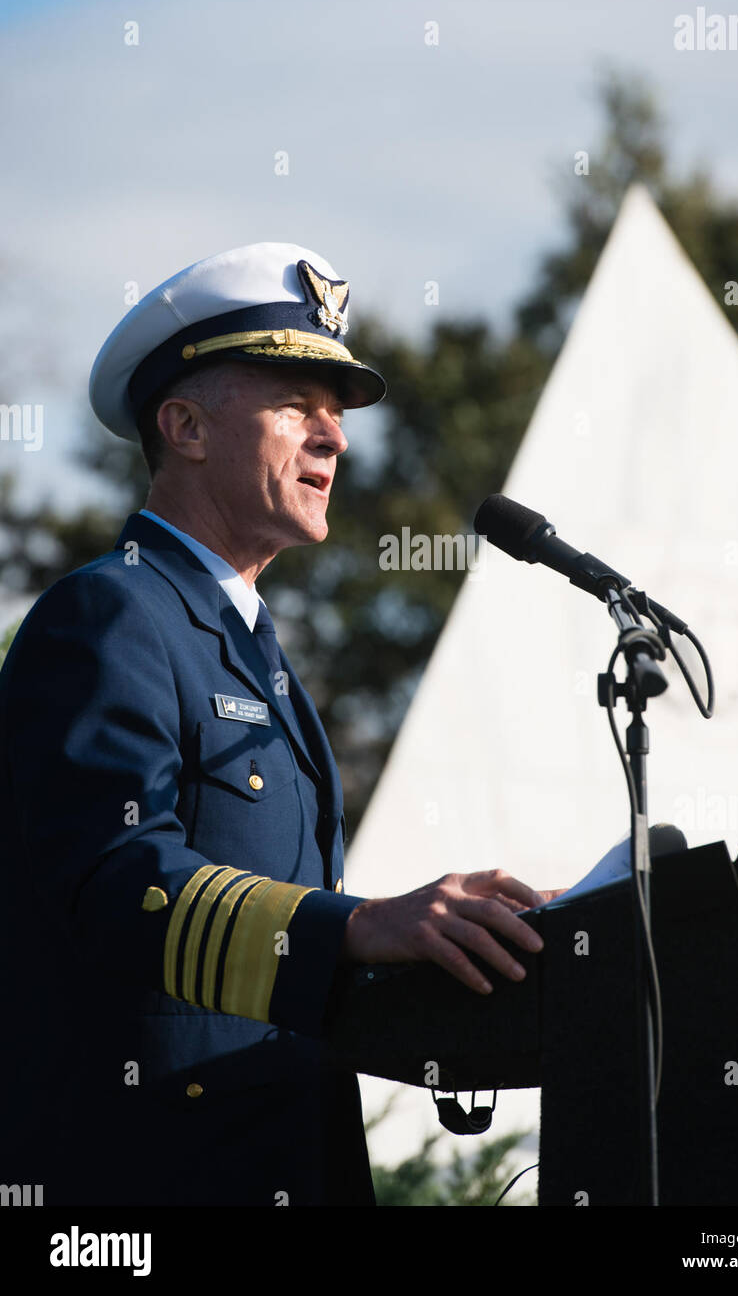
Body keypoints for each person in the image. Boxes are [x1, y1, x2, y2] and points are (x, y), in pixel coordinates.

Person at [0, 242, 552, 1208]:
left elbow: (276, 958)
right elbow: (115, 881)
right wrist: (363, 926)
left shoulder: (247, 647)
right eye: (297, 405)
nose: (333, 440)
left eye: (336, 417)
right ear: (184, 427)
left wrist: (455, 961)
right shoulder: (111, 615)